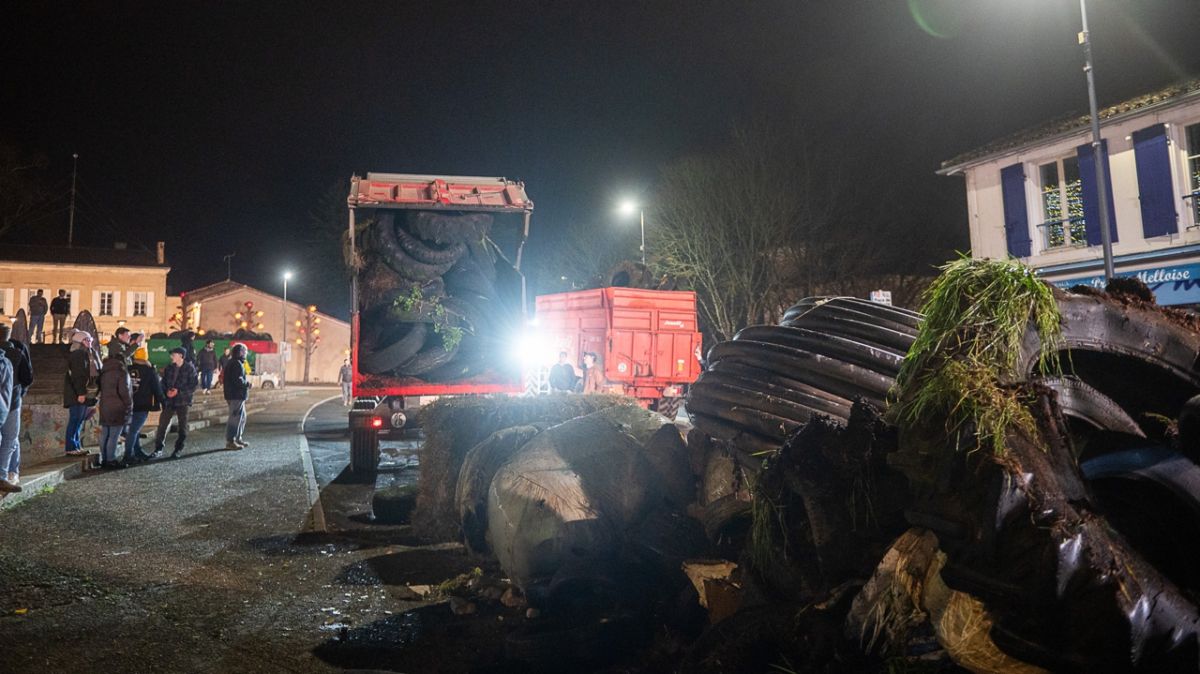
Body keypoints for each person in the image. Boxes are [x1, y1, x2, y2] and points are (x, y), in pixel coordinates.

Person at [0, 324, 33, 487]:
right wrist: (20, 392)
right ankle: (8, 473)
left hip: (8, 401)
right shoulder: (17, 352)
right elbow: (28, 378)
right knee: (11, 439)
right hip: (12, 402)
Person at [153, 348, 198, 459]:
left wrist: (178, 391)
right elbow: (163, 382)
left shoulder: (189, 368)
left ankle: (178, 449)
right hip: (170, 400)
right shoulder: (169, 368)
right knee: (162, 424)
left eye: (173, 354)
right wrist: (166, 392)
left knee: (182, 426)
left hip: (183, 401)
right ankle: (158, 448)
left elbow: (193, 385)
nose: (171, 357)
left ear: (181, 356)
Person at [63, 331, 100, 457]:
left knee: (78, 420)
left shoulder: (87, 353)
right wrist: (81, 393)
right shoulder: (78, 354)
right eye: (87, 340)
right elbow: (78, 376)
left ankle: (76, 446)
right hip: (77, 393)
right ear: (80, 341)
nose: (90, 342)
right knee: (75, 420)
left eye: (90, 339)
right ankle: (71, 447)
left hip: (81, 392)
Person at [124, 345, 163, 463]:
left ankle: (137, 451)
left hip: (128, 403)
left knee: (133, 429)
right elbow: (157, 388)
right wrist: (163, 402)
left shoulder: (128, 369)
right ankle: (128, 455)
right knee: (134, 430)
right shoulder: (149, 371)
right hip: (142, 404)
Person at [97, 349, 132, 469]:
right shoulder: (121, 372)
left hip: (105, 405)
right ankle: (111, 460)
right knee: (114, 435)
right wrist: (129, 404)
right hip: (118, 406)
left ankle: (104, 459)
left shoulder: (104, 372)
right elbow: (124, 390)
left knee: (105, 433)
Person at [222, 343, 251, 450]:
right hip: (235, 395)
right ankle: (231, 441)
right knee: (235, 418)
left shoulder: (235, 362)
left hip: (236, 395)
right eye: (245, 351)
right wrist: (247, 384)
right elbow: (238, 380)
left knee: (241, 417)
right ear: (240, 352)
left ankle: (237, 438)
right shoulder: (236, 364)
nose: (246, 354)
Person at [0, 355, 15, 492]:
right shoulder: (5, 361)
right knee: (9, 440)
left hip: (5, 407)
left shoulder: (5, 360)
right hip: (8, 406)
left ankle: (3, 476)